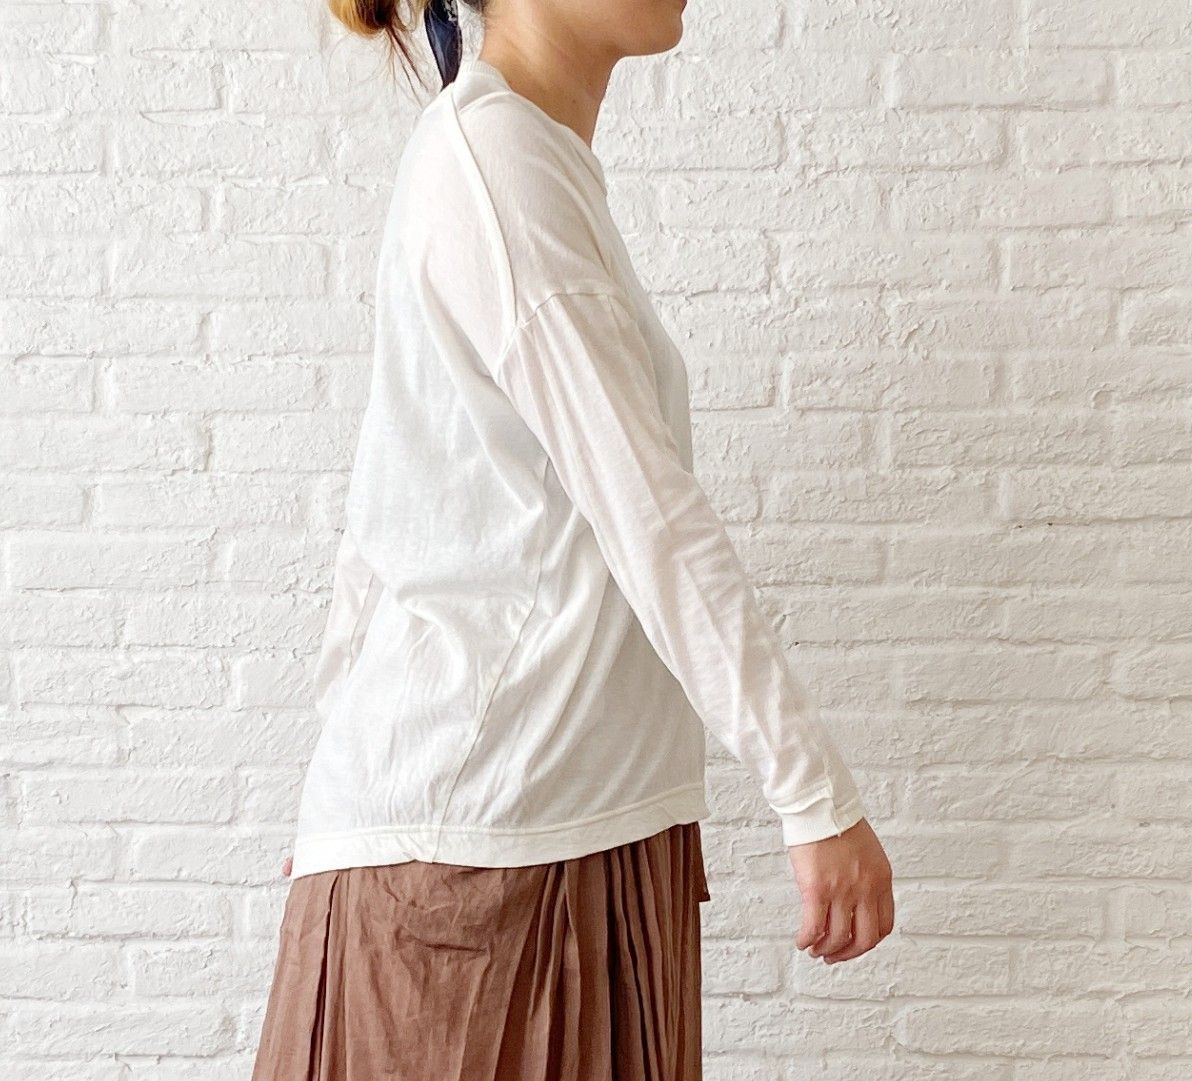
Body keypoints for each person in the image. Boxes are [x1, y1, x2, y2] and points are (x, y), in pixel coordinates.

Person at [251, 1, 895, 1078]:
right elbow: (650, 513)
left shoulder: (521, 156)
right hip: (489, 859)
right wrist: (811, 793)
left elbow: (391, 504)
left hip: (564, 826)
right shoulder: (495, 162)